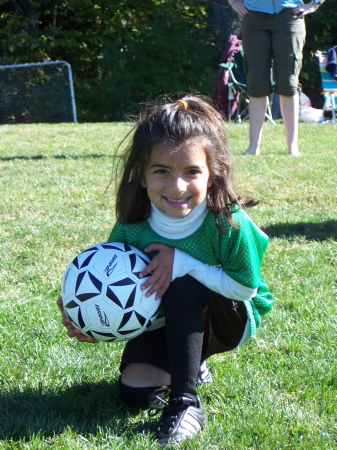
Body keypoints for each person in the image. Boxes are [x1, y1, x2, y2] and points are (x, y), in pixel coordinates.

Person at [57, 95, 274, 447]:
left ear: (212, 173)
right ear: (142, 174)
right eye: (162, 171)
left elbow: (245, 289)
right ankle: (189, 359)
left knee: (182, 285)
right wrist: (88, 317)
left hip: (229, 317)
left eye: (192, 172)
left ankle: (186, 403)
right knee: (135, 393)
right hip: (164, 318)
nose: (177, 187)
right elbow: (119, 287)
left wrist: (182, 263)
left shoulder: (227, 223)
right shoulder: (132, 226)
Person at [229, 0, 325, 156]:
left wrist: (314, 4)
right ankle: (253, 147)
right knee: (256, 85)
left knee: (288, 84)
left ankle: (292, 147)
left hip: (289, 16)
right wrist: (233, 2)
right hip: (253, 16)